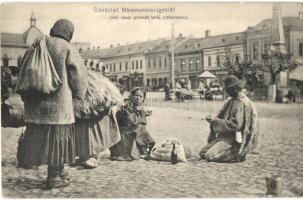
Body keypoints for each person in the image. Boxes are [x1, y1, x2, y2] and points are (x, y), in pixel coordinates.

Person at [19, 19, 88, 189]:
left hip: (36, 105)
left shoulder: (37, 44)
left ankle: (58, 171)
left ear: (52, 29)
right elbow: (78, 75)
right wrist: (79, 95)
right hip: (59, 106)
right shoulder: (67, 47)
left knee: (42, 138)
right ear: (69, 34)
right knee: (58, 140)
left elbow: (23, 69)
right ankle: (54, 176)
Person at [199, 75, 258, 163]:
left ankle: (237, 154)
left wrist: (215, 121)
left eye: (228, 90)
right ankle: (226, 150)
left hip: (234, 138)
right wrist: (213, 120)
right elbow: (221, 116)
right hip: (224, 136)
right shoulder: (231, 100)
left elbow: (236, 125)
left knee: (209, 155)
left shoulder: (241, 103)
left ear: (235, 89)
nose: (227, 92)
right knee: (202, 152)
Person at [110, 87, 155, 161]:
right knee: (139, 127)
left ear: (143, 99)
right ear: (132, 96)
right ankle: (138, 151)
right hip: (124, 133)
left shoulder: (139, 107)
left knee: (141, 128)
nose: (138, 98)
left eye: (141, 96)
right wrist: (142, 114)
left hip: (131, 132)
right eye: (136, 95)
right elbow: (130, 121)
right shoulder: (126, 105)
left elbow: (138, 119)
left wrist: (143, 113)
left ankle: (141, 151)